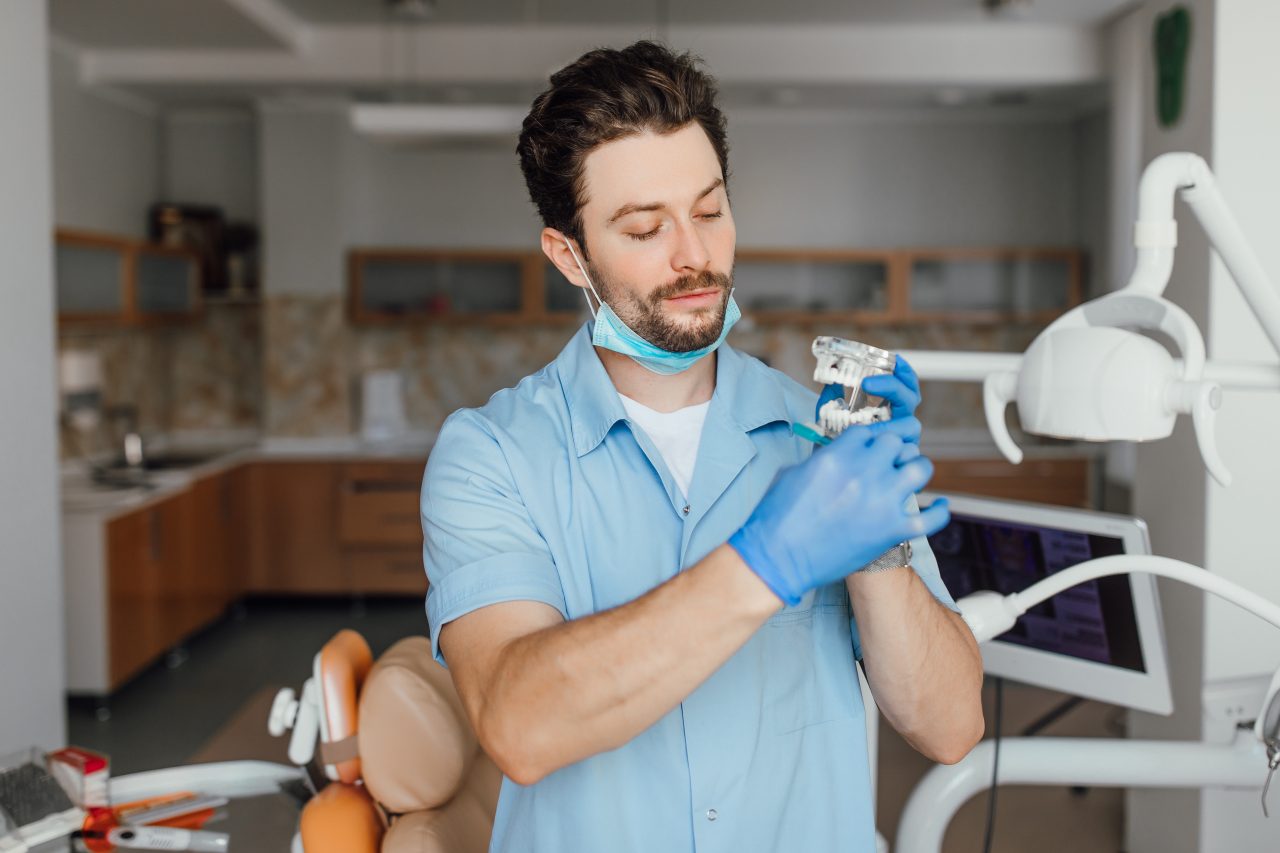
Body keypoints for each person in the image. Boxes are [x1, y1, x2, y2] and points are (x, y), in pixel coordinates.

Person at [421, 40, 984, 853]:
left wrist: (875, 548)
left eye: (710, 210)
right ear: (568, 255)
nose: (694, 255)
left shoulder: (817, 439)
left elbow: (951, 726)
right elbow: (520, 722)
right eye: (645, 228)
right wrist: (770, 557)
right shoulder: (491, 456)